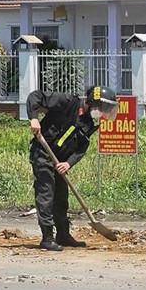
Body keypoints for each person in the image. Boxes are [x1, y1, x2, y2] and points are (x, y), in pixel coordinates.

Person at [27, 86, 119, 251]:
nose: (103, 114)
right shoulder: (67, 102)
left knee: (61, 198)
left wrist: (68, 163)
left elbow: (81, 149)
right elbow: (35, 96)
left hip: (61, 161)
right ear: (92, 104)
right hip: (43, 152)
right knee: (46, 193)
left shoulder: (88, 124)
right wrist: (34, 118)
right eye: (103, 109)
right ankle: (47, 238)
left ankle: (63, 235)